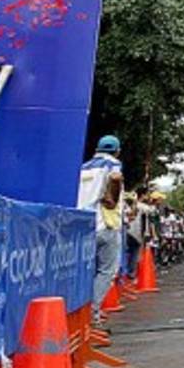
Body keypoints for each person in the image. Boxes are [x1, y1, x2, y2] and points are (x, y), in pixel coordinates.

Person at [78, 134, 124, 325]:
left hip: (82, 226)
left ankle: (81, 314)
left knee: (86, 271)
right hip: (105, 224)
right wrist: (111, 197)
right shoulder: (112, 163)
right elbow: (115, 176)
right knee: (107, 271)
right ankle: (92, 313)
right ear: (116, 150)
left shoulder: (83, 167)